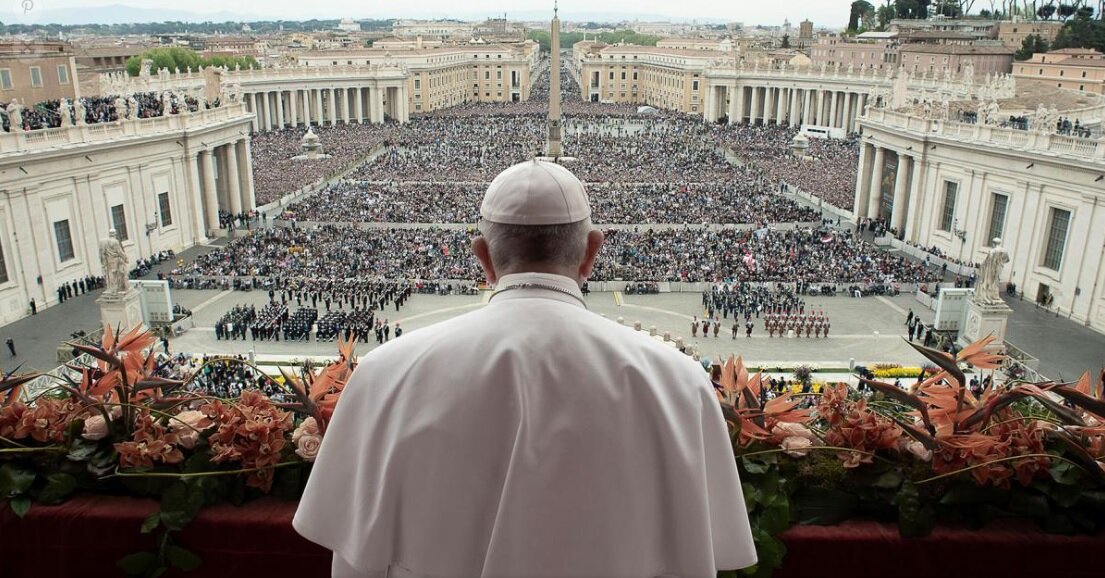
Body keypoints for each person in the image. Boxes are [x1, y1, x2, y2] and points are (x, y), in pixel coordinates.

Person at [294, 159, 756, 577]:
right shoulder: (678, 381)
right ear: (591, 252)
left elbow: (355, 561)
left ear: (483, 256)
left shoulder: (383, 374)